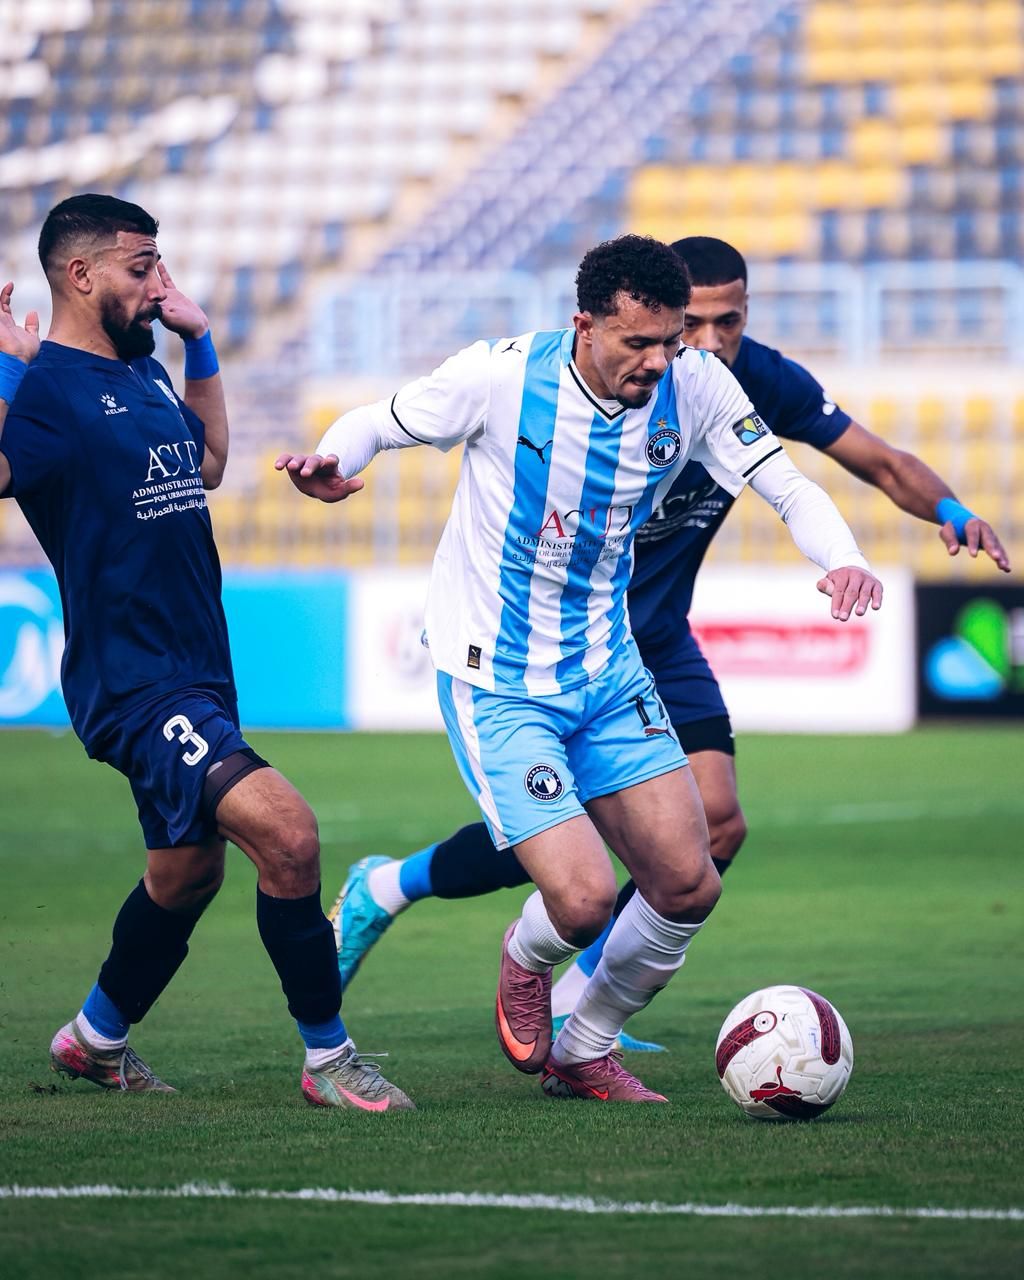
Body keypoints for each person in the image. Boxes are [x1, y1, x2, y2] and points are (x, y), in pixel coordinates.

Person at [324, 234, 1011, 1056]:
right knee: (576, 872)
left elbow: (819, 477)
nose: (686, 350)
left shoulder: (719, 382)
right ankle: (402, 890)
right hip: (510, 659)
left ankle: (584, 1021)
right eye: (662, 336)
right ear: (591, 325)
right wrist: (330, 461)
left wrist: (860, 551)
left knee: (702, 847)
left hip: (632, 647)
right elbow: (378, 423)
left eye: (703, 329)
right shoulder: (505, 376)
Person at [0, 194, 412, 1111]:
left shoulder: (144, 370)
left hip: (197, 670)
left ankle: (94, 1040)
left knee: (186, 875)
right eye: (140, 267)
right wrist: (7, 366)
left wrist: (201, 345)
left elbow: (211, 464)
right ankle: (330, 1060)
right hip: (134, 681)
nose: (159, 284)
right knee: (289, 834)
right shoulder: (46, 387)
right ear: (81, 275)